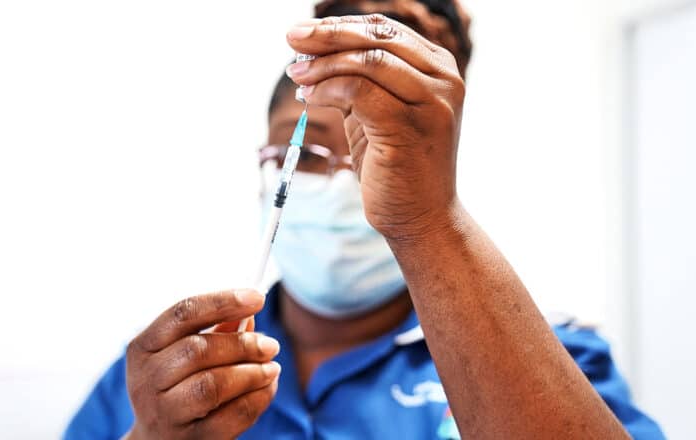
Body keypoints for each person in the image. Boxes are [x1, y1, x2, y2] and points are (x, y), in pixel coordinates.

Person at [64, 1, 665, 439]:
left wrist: (427, 221)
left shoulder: (551, 358)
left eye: (375, 154)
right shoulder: (168, 375)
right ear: (268, 163)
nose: (339, 182)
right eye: (308, 153)